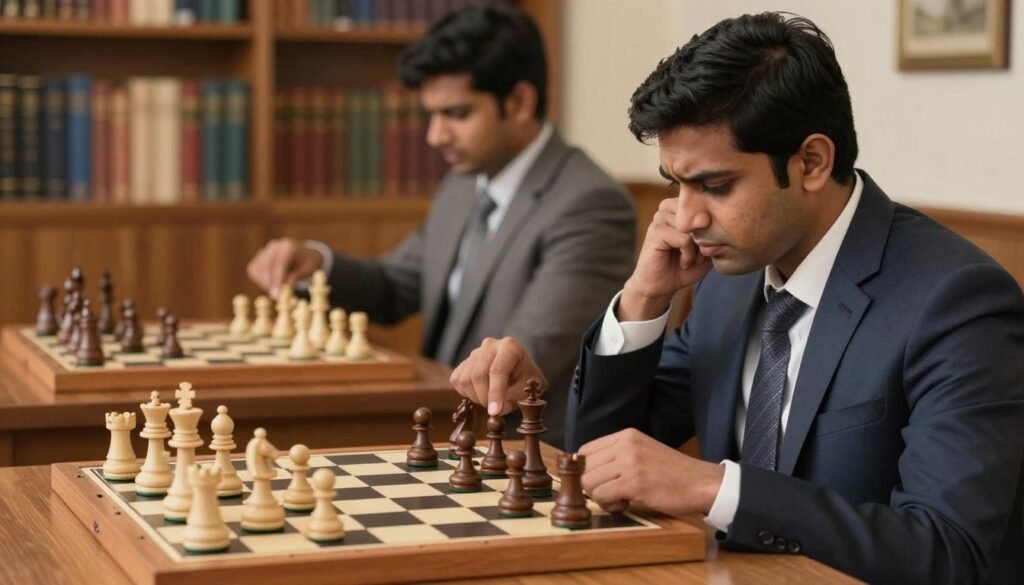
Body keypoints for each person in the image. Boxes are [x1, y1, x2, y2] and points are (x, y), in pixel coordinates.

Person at [449, 12, 1024, 584]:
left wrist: (712, 486)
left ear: (812, 163)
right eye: (675, 183)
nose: (686, 216)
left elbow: (947, 553)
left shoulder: (956, 301)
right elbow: (604, 458)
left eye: (715, 186)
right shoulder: (729, 278)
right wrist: (644, 299)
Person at [247, 5, 636, 446]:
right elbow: (395, 287)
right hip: (442, 428)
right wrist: (317, 263)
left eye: (456, 113)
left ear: (520, 102)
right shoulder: (463, 184)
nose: (435, 136)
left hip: (522, 452)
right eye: (431, 115)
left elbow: (522, 360)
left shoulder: (588, 203)